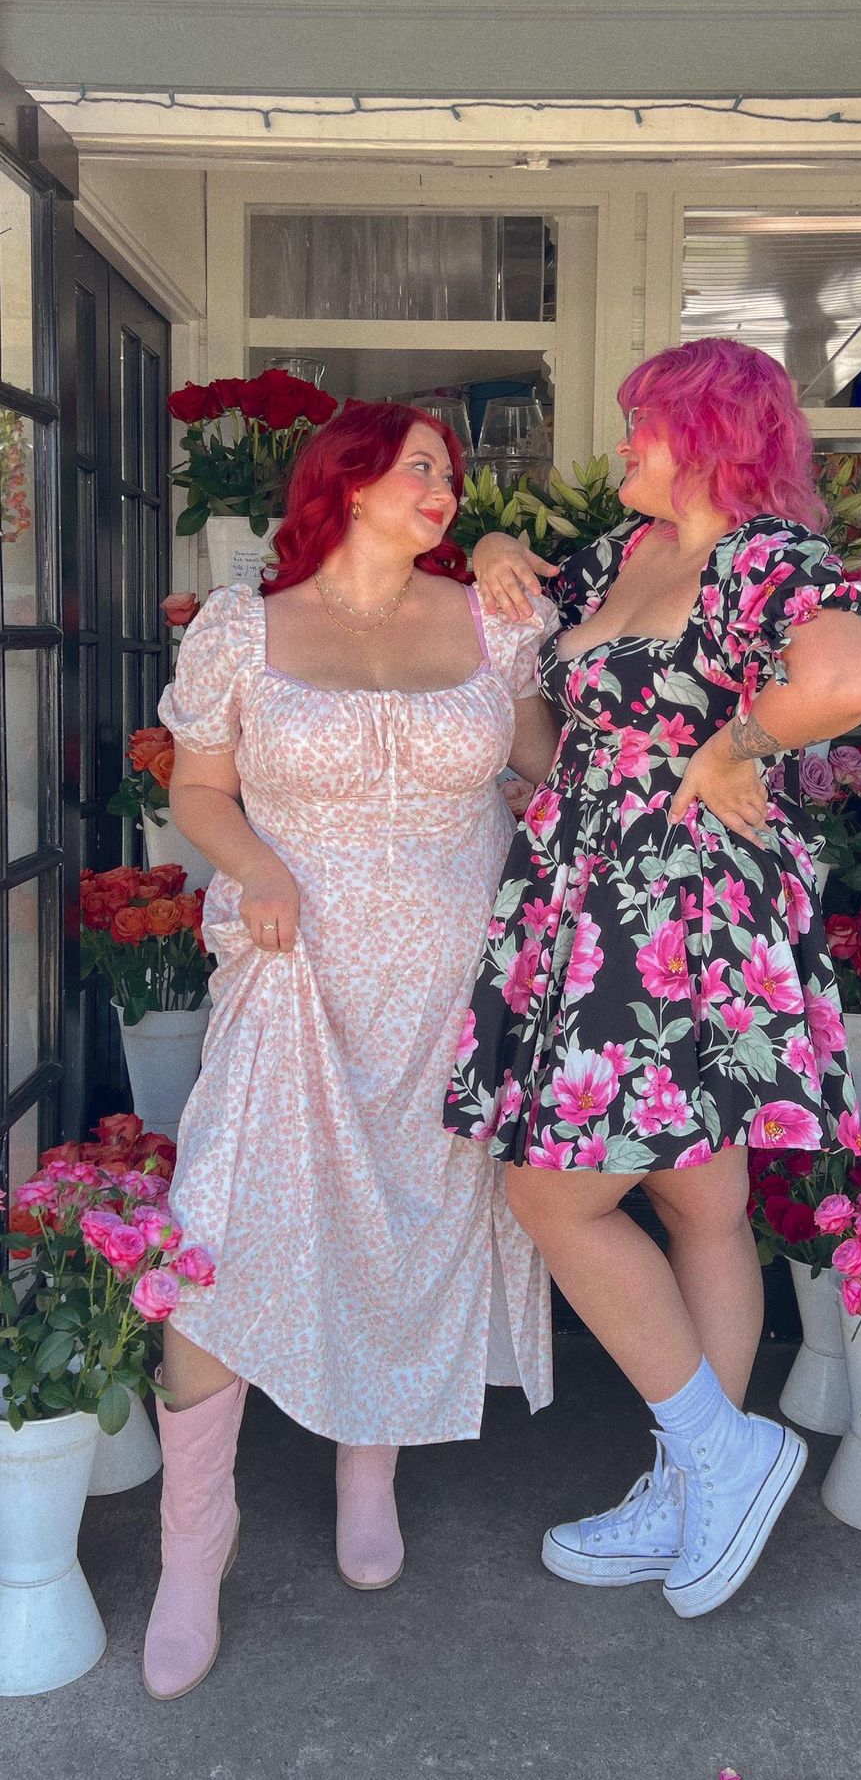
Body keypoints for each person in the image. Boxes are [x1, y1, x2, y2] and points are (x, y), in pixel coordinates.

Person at [445, 338, 861, 1619]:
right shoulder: (620, 555)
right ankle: (699, 1482)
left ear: (705, 437)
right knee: (704, 1202)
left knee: (553, 1194)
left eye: (642, 423)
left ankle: (717, 1451)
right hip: (592, 893)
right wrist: (490, 550)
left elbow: (845, 677)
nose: (623, 441)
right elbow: (535, 647)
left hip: (679, 911)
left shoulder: (762, 557)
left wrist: (736, 747)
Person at [144, 401, 559, 1700]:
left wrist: (515, 572)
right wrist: (261, 867)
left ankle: (367, 1464)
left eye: (454, 470)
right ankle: (193, 1540)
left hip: (453, 990)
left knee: (410, 1223)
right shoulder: (242, 626)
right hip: (295, 976)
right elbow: (199, 787)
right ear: (350, 477)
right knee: (222, 1229)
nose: (445, 484)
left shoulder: (491, 620)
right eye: (420, 463)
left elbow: (550, 767)